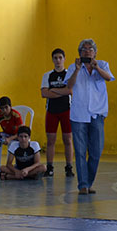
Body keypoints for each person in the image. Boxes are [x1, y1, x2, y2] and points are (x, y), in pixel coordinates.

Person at [65, 39, 114, 195]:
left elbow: (108, 78)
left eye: (90, 49)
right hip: (78, 115)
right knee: (80, 151)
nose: (87, 51)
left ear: (95, 52)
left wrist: (96, 67)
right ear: (79, 52)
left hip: (97, 114)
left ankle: (89, 182)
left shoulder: (103, 64)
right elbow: (69, 86)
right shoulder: (73, 67)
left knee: (96, 151)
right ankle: (83, 185)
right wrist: (77, 70)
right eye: (84, 49)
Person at [40, 48, 74, 177]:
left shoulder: (69, 74)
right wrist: (62, 91)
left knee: (68, 140)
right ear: (52, 59)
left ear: (64, 59)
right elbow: (44, 93)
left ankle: (69, 167)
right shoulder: (47, 75)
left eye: (60, 57)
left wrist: (53, 90)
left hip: (67, 110)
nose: (58, 60)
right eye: (55, 58)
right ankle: (49, 167)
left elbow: (70, 91)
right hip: (52, 111)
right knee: (50, 140)